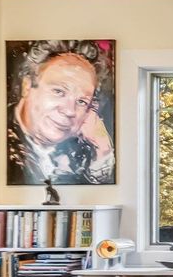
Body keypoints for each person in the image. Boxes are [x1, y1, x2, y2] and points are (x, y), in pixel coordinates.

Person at [7, 41, 115, 185]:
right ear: (27, 86)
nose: (70, 111)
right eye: (59, 91)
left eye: (82, 101)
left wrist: (103, 151)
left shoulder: (86, 152)